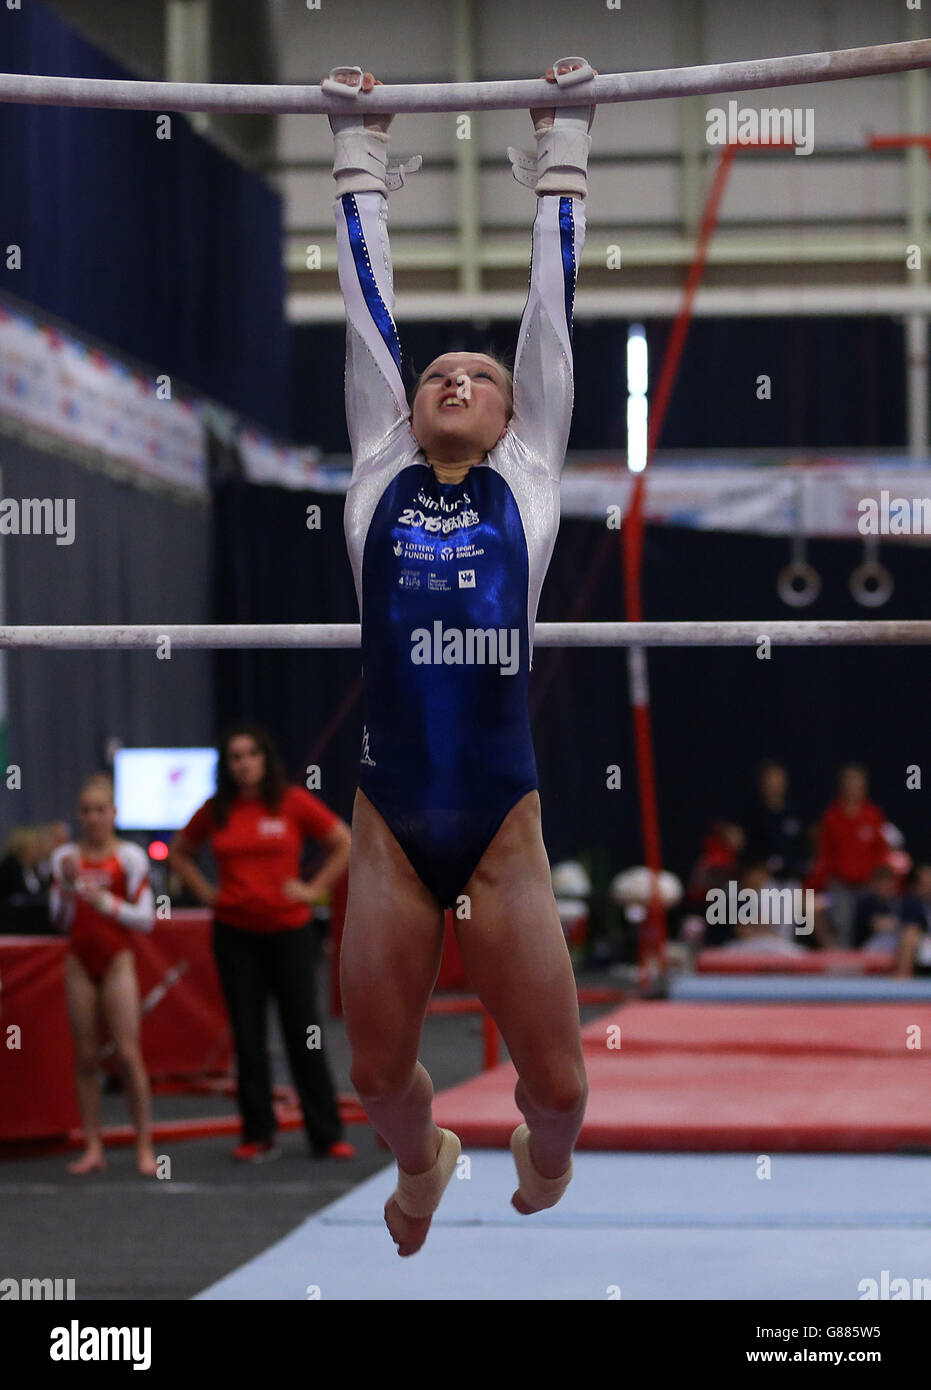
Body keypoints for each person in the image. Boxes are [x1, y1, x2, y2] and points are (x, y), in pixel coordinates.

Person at [327, 59, 595, 1256]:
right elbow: (368, 316)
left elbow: (551, 321)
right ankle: (421, 1161)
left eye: (481, 379)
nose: (455, 377)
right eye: (440, 371)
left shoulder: (527, 484)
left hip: (498, 825)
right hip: (388, 825)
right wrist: (356, 155)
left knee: (562, 1091)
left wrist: (566, 152)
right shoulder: (378, 472)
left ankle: (544, 1161)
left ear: (511, 419)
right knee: (377, 1073)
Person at [168, 723, 354, 1163]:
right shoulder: (216, 809)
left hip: (290, 933)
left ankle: (326, 1135)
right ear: (227, 765)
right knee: (248, 1038)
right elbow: (179, 852)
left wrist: (313, 891)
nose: (244, 763)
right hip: (235, 936)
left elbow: (343, 841)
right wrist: (207, 892)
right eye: (235, 756)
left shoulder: (291, 801)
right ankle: (258, 1134)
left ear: (265, 759)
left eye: (251, 753)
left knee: (303, 1033)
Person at [49, 775, 157, 1176]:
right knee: (86, 1058)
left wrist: (107, 903)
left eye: (100, 810)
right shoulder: (66, 858)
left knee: (129, 1055)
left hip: (116, 962)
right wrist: (62, 886)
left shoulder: (129, 857)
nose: (93, 818)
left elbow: (146, 919)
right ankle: (94, 1147)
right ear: (79, 815)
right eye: (86, 811)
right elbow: (60, 921)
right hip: (79, 961)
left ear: (113, 813)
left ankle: (144, 1146)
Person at [806, 764, 888, 947]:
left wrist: (879, 883)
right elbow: (824, 855)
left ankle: (869, 965)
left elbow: (881, 852)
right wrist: (820, 885)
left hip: (868, 885)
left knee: (873, 922)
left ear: (864, 786)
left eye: (857, 781)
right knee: (842, 922)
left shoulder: (873, 815)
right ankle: (844, 969)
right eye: (849, 781)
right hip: (840, 885)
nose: (853, 786)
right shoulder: (831, 816)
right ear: (842, 786)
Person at [741, 760, 808, 882]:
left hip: (793, 879)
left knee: (818, 900)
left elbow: (803, 852)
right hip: (762, 880)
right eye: (770, 779)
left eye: (778, 778)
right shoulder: (751, 816)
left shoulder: (796, 815)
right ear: (762, 783)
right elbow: (747, 854)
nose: (774, 784)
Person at [896, 864, 931, 976]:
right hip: (922, 941)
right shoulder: (911, 902)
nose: (928, 886)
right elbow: (911, 925)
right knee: (910, 934)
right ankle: (902, 981)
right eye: (925, 883)